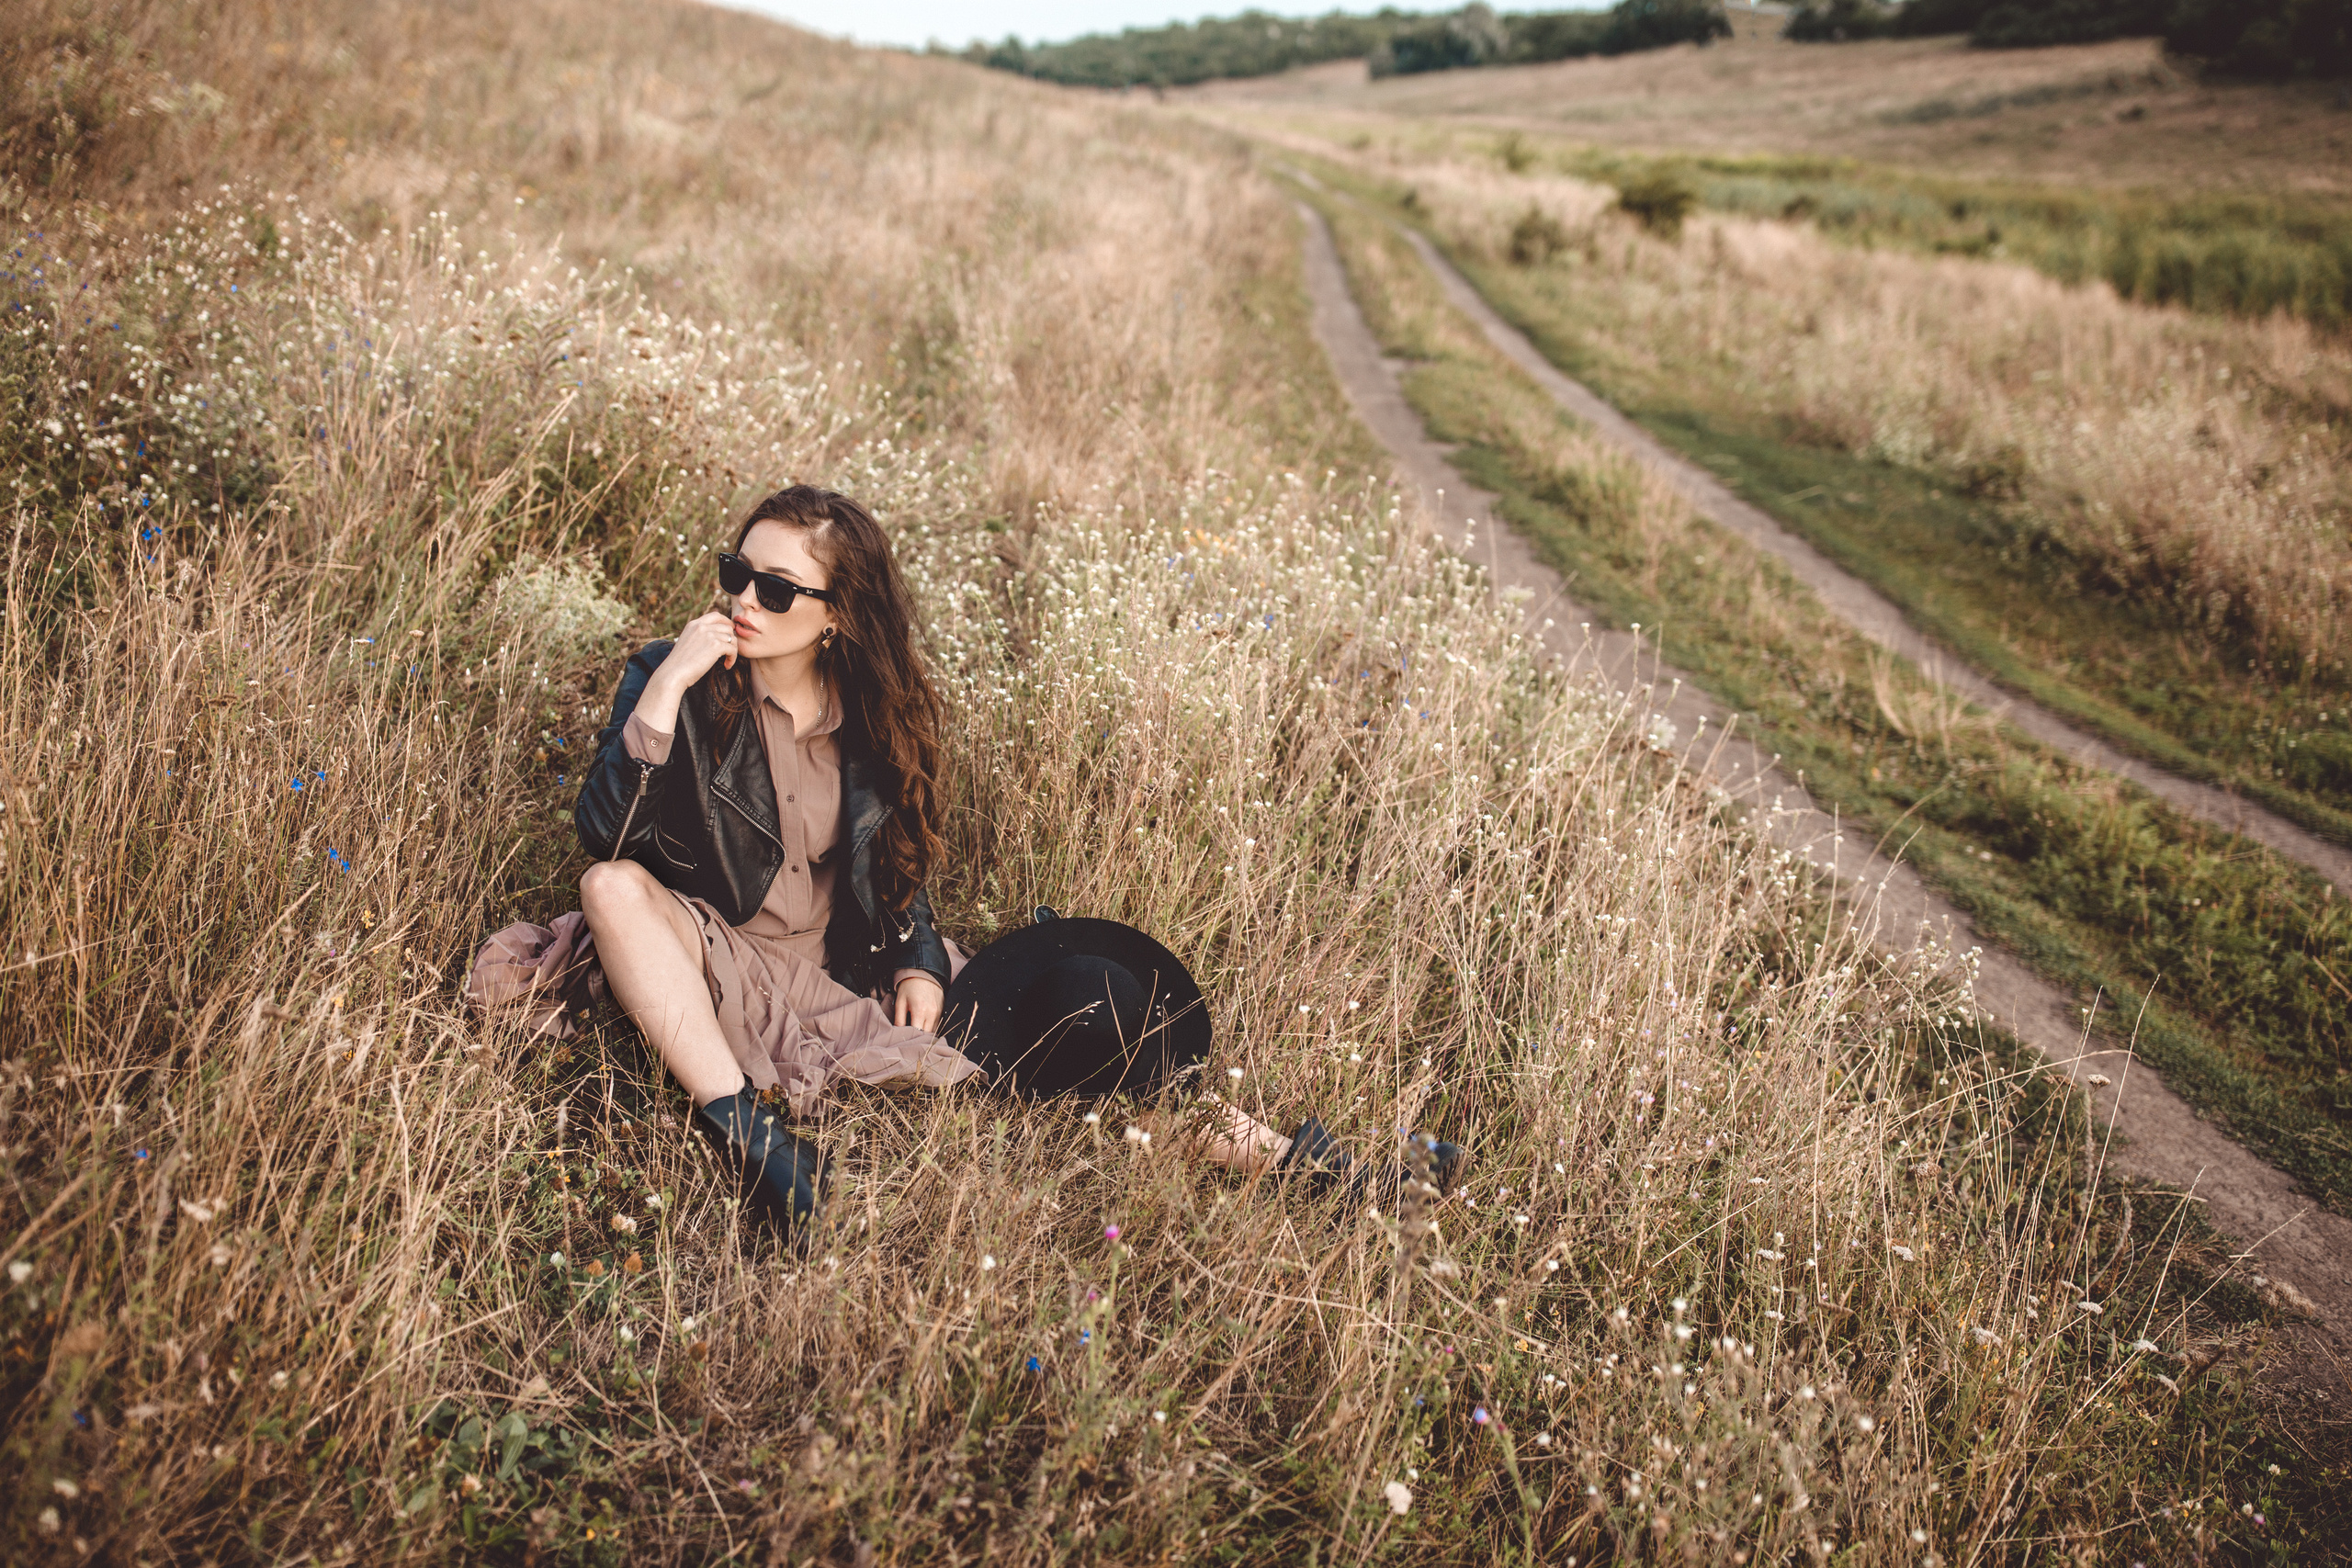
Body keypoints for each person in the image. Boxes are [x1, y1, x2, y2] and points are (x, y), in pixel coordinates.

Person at [468, 484, 1461, 1236]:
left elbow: (895, 862)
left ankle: (1319, 1170)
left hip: (843, 971)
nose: (743, 601)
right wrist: (668, 686)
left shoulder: (874, 711)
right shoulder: (677, 681)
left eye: (775, 588)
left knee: (1074, 1038)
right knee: (608, 889)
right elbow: (606, 834)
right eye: (736, 573)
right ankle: (753, 1143)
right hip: (714, 953)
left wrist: (913, 955)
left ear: (836, 613)